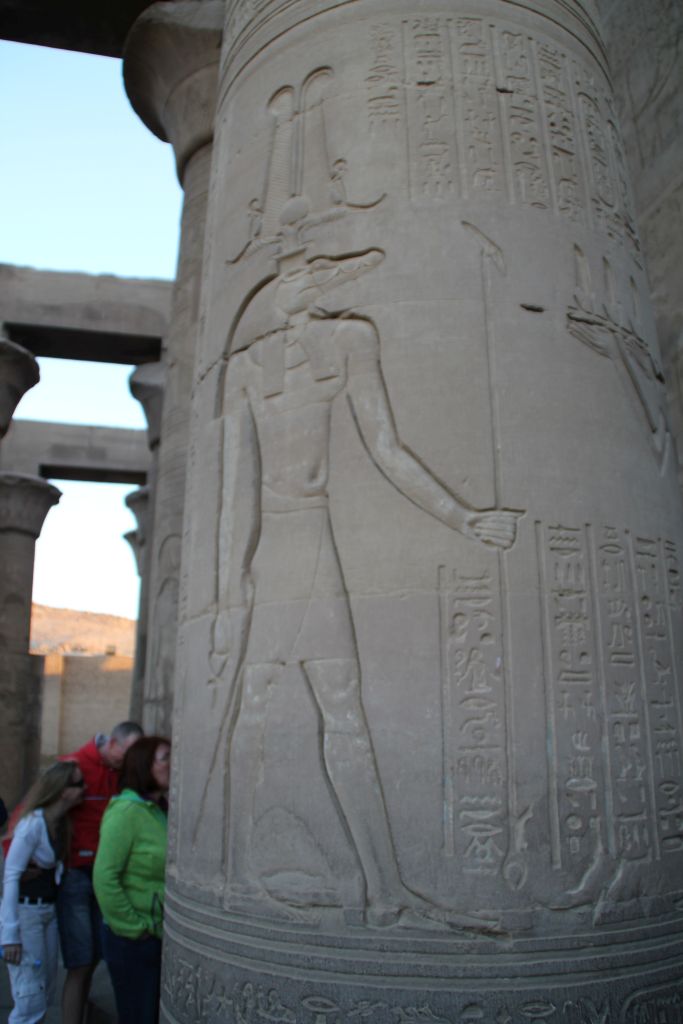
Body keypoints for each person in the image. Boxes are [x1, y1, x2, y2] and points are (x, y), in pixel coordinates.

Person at [205, 204, 520, 931]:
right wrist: (225, 600)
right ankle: (235, 873)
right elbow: (233, 494)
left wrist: (464, 516)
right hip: (274, 553)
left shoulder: (350, 339)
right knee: (255, 708)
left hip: (314, 540)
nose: (305, 285)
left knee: (342, 708)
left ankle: (383, 887)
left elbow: (387, 448)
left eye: (316, 272)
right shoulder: (247, 366)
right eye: (294, 274)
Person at [57, 721, 143, 1024]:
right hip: (77, 874)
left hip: (108, 876)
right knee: (80, 963)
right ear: (113, 743)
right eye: (127, 753)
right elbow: (36, 811)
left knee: (97, 959)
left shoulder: (121, 773)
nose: (129, 761)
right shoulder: (74, 767)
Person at [94, 736, 171, 1024]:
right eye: (165, 758)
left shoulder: (159, 809)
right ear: (143, 765)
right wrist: (135, 928)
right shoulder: (125, 812)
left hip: (157, 934)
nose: (173, 764)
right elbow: (104, 877)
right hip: (133, 941)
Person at [1, 761, 85, 1024]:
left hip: (47, 912)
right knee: (29, 997)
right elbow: (11, 876)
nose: (85, 789)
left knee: (44, 989)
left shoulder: (59, 823)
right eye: (78, 784)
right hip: (26, 914)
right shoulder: (32, 825)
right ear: (62, 791)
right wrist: (9, 935)